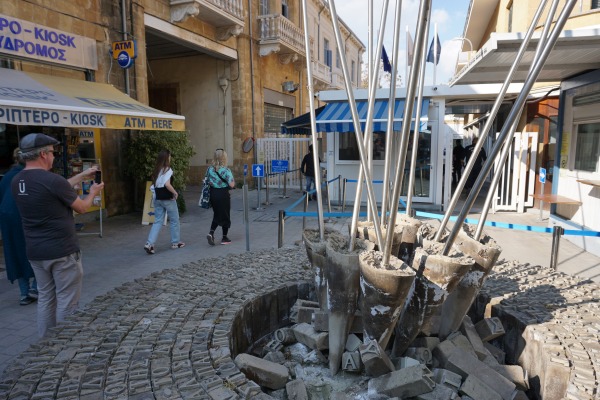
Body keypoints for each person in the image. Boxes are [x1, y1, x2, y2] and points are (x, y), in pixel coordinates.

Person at [11, 133, 104, 337]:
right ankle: (64, 344)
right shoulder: (52, 180)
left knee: (45, 298)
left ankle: (45, 344)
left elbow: (53, 188)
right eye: (52, 152)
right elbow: (82, 208)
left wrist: (81, 175)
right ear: (43, 154)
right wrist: (94, 192)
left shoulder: (17, 180)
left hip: (36, 251)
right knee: (67, 300)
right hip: (62, 250)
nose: (54, 156)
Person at [0, 148, 37, 306]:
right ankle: (35, 287)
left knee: (15, 252)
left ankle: (24, 293)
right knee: (36, 250)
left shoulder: (6, 176)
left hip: (7, 219)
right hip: (25, 217)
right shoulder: (29, 174)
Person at [144, 149, 185, 254]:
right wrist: (175, 193)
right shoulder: (168, 169)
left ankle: (149, 244)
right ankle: (176, 242)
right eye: (170, 156)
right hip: (168, 198)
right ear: (167, 157)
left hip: (157, 197)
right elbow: (167, 184)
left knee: (157, 221)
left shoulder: (157, 170)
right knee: (175, 220)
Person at [206, 149, 235, 246]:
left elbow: (206, 180)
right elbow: (231, 184)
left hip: (213, 193)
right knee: (225, 215)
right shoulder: (226, 170)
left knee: (217, 214)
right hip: (223, 194)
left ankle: (211, 232)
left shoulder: (210, 169)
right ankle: (224, 237)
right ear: (224, 158)